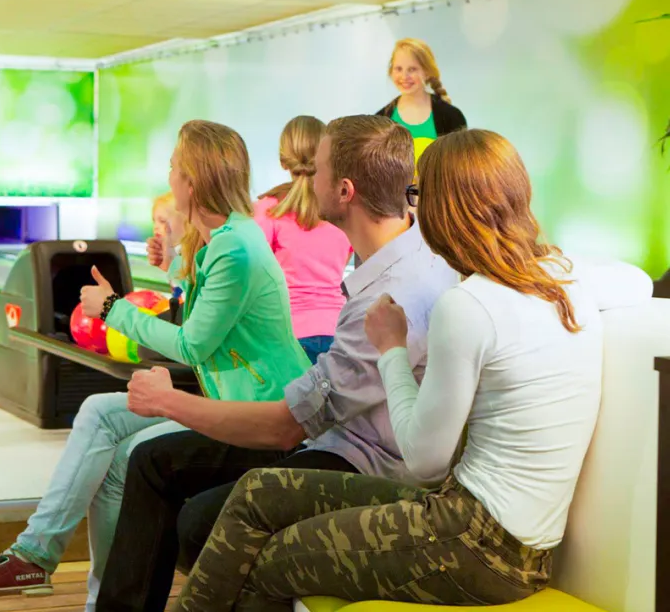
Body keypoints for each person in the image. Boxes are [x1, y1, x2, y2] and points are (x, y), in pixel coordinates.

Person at [175, 129, 654, 611]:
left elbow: (425, 461)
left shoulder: (469, 306)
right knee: (256, 491)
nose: (413, 210)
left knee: (264, 559)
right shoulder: (560, 277)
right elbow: (637, 281)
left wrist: (392, 349)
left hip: (477, 545)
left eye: (417, 194)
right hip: (498, 537)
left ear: (442, 207)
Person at [94, 115, 459, 612]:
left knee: (200, 524)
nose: (302, 178)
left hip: (362, 463)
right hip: (334, 437)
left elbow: (285, 428)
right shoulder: (402, 259)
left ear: (344, 191)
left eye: (316, 168)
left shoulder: (389, 297)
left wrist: (168, 401)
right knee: (153, 461)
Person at [0, 120, 312, 609]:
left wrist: (111, 308)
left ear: (192, 180)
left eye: (174, 166)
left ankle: (105, 600)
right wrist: (175, 265)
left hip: (261, 413)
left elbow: (192, 345)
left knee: (127, 458)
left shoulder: (236, 247)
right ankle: (33, 555)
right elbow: (210, 314)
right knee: (99, 411)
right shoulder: (222, 239)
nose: (169, 176)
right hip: (229, 398)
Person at [254, 116, 353, 364]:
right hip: (338, 333)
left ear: (283, 160)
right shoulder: (343, 207)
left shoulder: (267, 210)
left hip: (285, 334)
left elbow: (251, 271)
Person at [376, 38, 466, 171]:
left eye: (412, 69)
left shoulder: (452, 117)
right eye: (398, 69)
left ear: (427, 72)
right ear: (391, 71)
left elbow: (461, 170)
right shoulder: (380, 120)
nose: (404, 76)